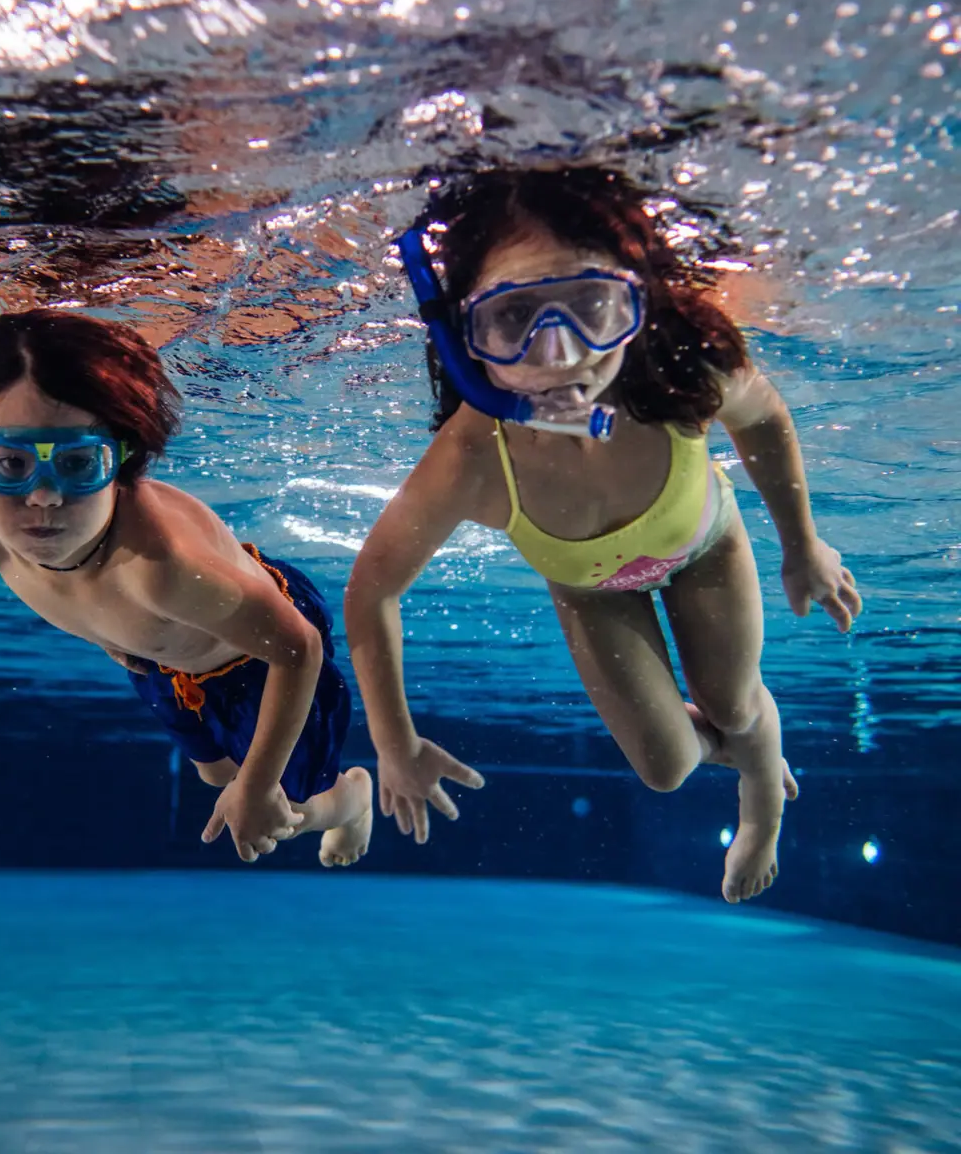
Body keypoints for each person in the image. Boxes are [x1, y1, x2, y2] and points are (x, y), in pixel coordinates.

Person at [344, 164, 862, 903]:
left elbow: (765, 420)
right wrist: (394, 744)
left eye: (591, 305)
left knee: (735, 706)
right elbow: (370, 593)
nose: (561, 357)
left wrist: (801, 545)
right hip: (591, 591)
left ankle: (762, 793)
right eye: (515, 319)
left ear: (635, 298)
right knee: (665, 768)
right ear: (467, 334)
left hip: (703, 549)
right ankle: (743, 743)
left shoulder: (681, 372)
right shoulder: (471, 456)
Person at [0, 308, 371, 867]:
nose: (42, 497)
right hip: (160, 657)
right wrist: (110, 637)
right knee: (214, 774)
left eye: (78, 463)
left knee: (274, 803)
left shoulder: (161, 569)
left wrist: (259, 786)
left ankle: (350, 803)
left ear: (125, 459)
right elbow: (82, 599)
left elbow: (299, 648)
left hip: (261, 652)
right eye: (8, 462)